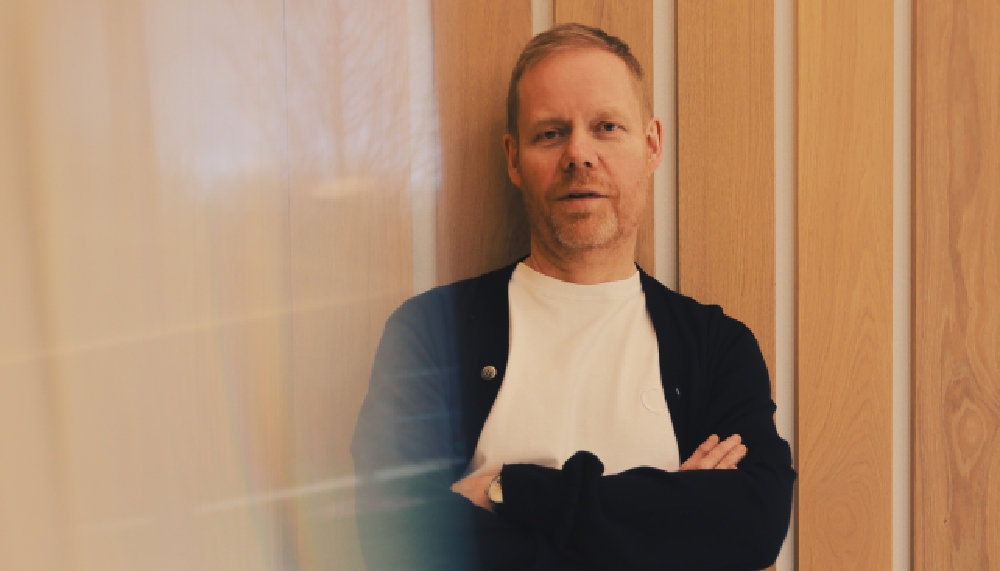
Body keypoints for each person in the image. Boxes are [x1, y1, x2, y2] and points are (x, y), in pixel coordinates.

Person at [351, 23, 794, 571]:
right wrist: (668, 520)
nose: (579, 153)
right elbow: (396, 539)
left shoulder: (717, 348)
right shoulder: (431, 332)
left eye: (606, 127)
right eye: (550, 133)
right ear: (514, 159)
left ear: (651, 144)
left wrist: (511, 492)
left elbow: (752, 525)